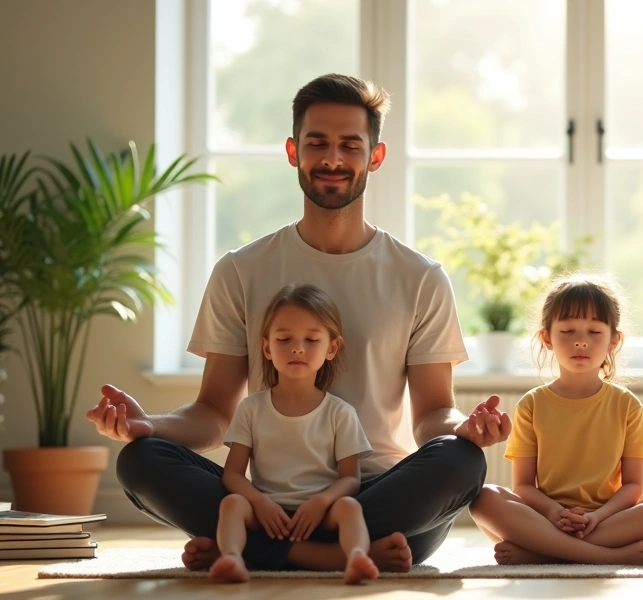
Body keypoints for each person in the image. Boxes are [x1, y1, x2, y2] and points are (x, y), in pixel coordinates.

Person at [87, 73, 510, 573]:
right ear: (293, 151)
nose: (332, 159)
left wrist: (468, 429)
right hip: (266, 499)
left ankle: (252, 548)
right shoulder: (241, 270)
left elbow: (431, 416)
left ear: (375, 157)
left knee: (460, 462)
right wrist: (147, 425)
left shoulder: (420, 277)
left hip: (376, 494)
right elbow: (214, 414)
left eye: (350, 145)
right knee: (140, 460)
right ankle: (338, 553)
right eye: (318, 144)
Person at [469, 274, 643, 565]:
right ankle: (605, 556)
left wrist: (597, 516)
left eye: (594, 332)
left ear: (613, 340)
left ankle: (540, 553)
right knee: (483, 498)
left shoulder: (627, 406)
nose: (581, 342)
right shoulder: (531, 405)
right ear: (546, 338)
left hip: (607, 519)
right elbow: (523, 486)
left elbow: (633, 487)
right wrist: (554, 514)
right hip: (545, 519)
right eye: (568, 330)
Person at [209, 284, 377, 584]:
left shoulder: (340, 413)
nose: (297, 348)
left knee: (350, 507)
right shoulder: (251, 408)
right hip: (266, 514)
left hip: (320, 513)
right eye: (284, 339)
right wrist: (260, 503)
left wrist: (321, 503)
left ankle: (356, 558)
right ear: (266, 348)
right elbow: (232, 475)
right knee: (231, 504)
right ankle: (232, 559)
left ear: (331, 349)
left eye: (311, 339)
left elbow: (350, 478)